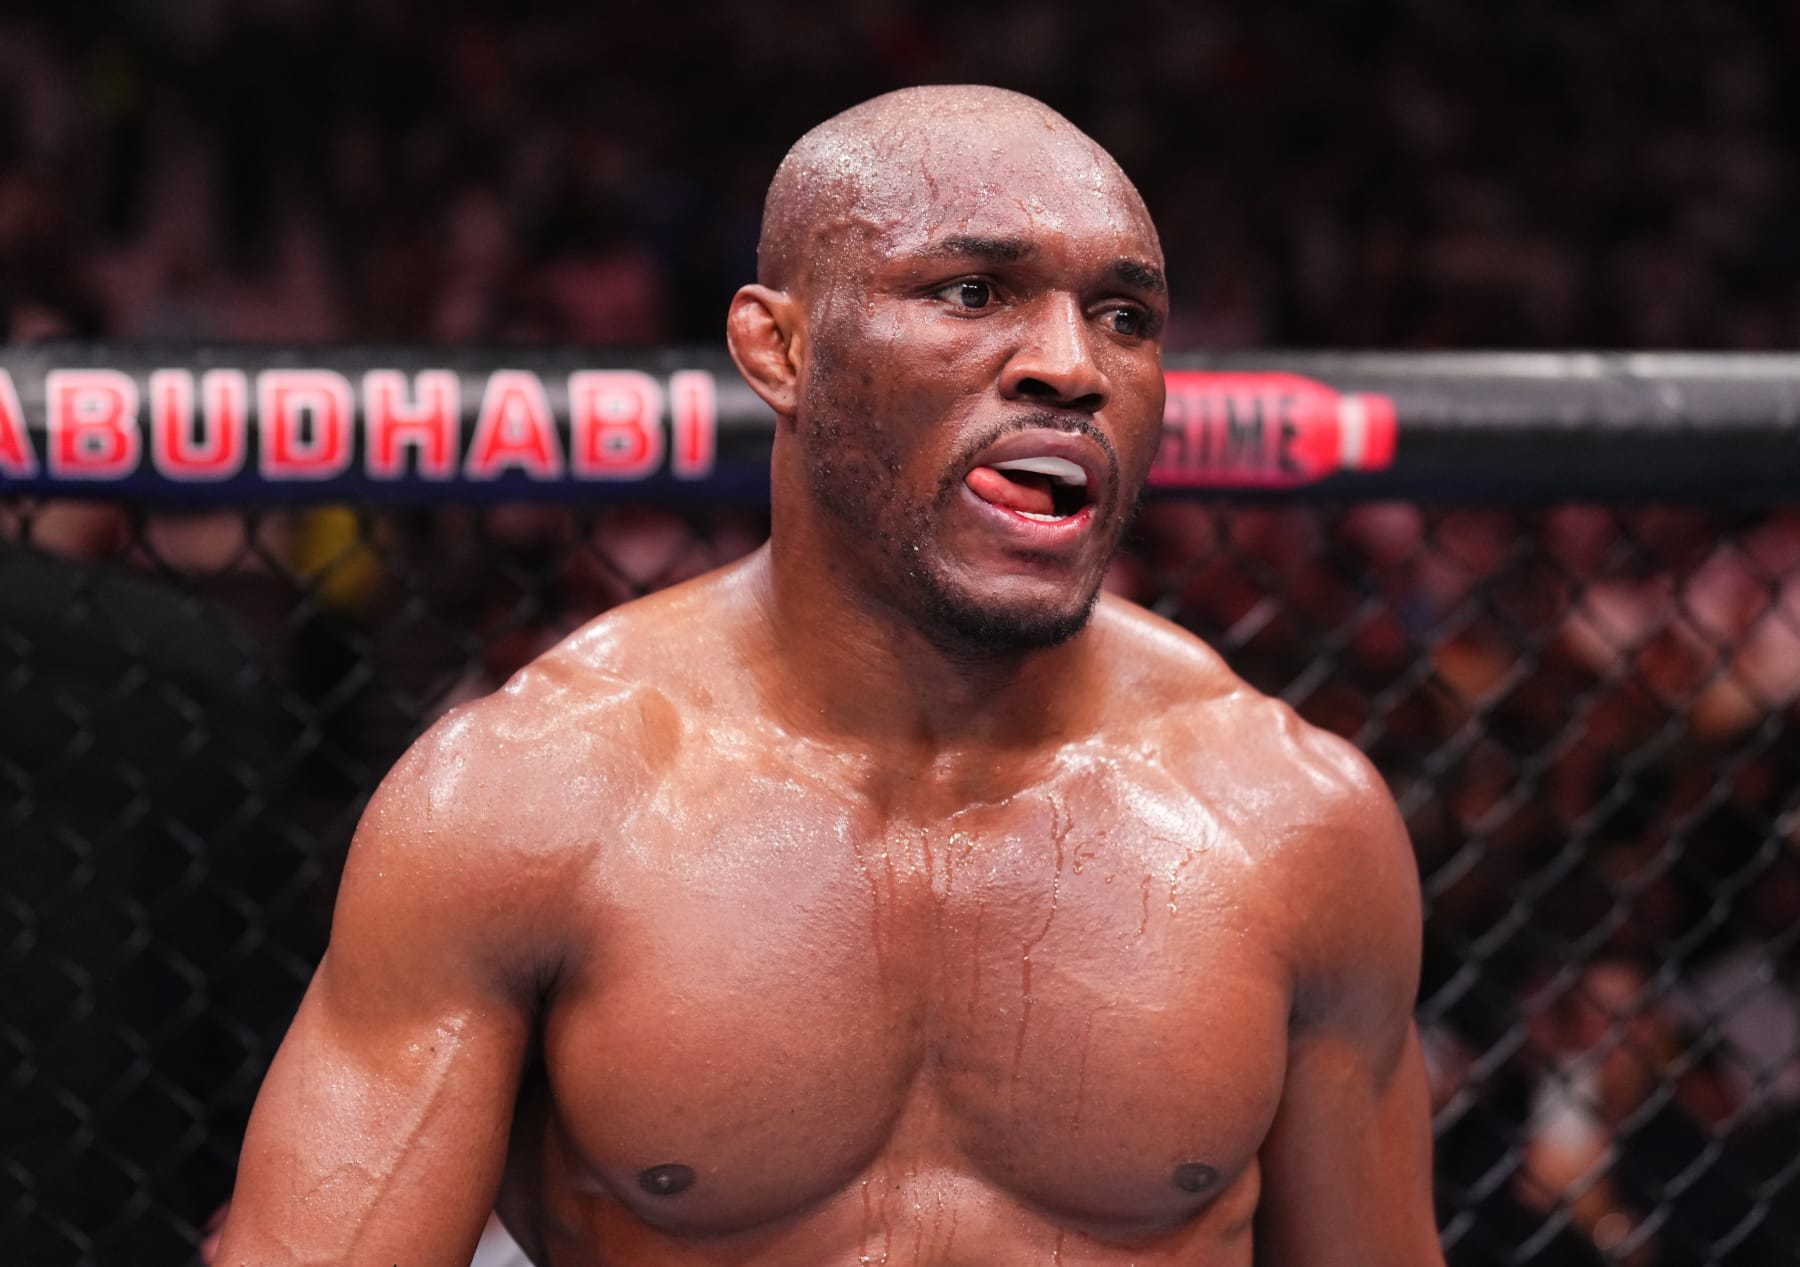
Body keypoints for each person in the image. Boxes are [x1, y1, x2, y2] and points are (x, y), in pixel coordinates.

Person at [214, 85, 1443, 1265]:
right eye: (974, 291)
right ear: (779, 346)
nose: (1072, 365)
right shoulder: (524, 805)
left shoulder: (1288, 821)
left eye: (1126, 316)